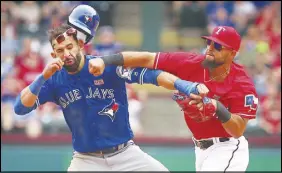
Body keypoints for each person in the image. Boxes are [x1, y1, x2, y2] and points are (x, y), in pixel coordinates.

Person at [14, 14, 209, 172]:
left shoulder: (104, 66)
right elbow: (20, 108)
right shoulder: (53, 80)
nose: (66, 54)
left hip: (125, 155)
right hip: (86, 161)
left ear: (80, 45)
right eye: (59, 50)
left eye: (69, 47)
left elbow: (153, 76)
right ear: (53, 55)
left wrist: (186, 86)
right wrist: (43, 76)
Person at [90, 26, 259, 171]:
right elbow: (148, 58)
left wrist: (217, 107)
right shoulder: (191, 62)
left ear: (232, 53)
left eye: (218, 46)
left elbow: (237, 130)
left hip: (227, 147)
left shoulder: (242, 84)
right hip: (200, 149)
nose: (210, 48)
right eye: (209, 42)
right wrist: (104, 61)